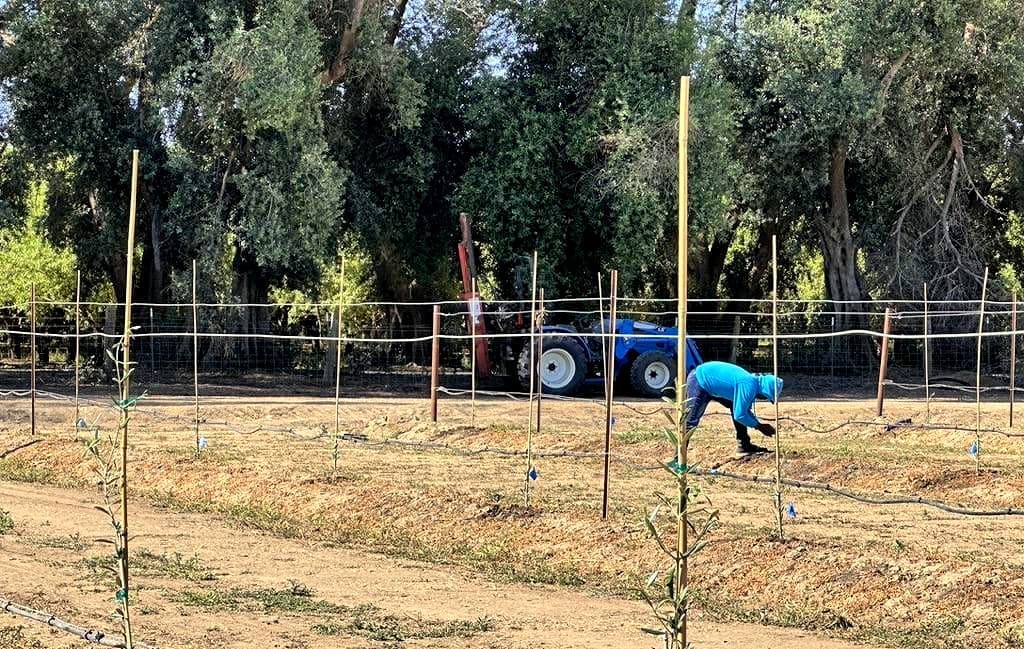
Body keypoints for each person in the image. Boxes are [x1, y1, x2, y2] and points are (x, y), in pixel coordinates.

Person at [684, 361, 783, 457]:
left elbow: (744, 411)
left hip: (710, 382)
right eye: (766, 397)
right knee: (689, 422)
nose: (763, 399)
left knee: (735, 405)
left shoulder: (752, 382)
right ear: (765, 391)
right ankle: (678, 460)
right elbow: (740, 415)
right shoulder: (749, 386)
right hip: (699, 381)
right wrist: (759, 426)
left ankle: (744, 446)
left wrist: (758, 424)